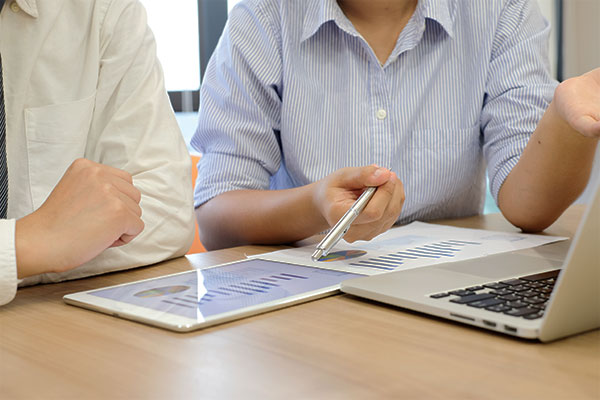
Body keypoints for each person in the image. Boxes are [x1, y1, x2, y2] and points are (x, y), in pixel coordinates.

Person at [192, 0, 599, 251]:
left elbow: (528, 208)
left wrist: (566, 121)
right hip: (310, 292)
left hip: (446, 285)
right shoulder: (261, 18)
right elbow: (217, 216)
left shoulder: (501, 9)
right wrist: (315, 204)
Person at [0, 0, 195, 306]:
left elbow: (169, 211)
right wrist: (27, 244)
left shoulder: (104, 9)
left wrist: (33, 250)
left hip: (46, 326)